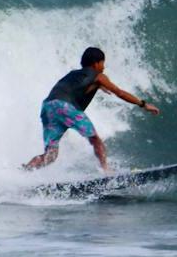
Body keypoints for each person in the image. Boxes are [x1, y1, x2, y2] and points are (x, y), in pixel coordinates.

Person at [23, 46, 160, 172]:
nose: (103, 67)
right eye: (102, 63)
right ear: (96, 63)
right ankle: (107, 171)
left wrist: (98, 86)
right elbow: (120, 93)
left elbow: (73, 87)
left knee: (50, 155)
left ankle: (24, 172)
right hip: (64, 107)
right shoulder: (98, 76)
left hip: (48, 107)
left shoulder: (73, 74)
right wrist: (143, 104)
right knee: (95, 139)